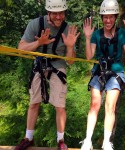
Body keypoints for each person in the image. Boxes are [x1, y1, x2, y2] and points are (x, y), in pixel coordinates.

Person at [15, 0, 80, 150]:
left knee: (60, 105)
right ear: (48, 13)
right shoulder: (35, 24)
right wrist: (38, 43)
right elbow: (21, 48)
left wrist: (70, 47)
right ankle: (28, 138)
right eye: (55, 13)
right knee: (34, 101)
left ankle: (61, 140)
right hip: (39, 63)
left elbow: (70, 61)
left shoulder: (67, 29)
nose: (58, 17)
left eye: (61, 13)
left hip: (58, 65)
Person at [80, 0, 125, 150]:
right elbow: (88, 56)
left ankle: (107, 141)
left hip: (116, 72)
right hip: (99, 70)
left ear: (115, 17)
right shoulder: (97, 35)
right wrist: (87, 37)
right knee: (94, 104)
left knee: (110, 106)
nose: (108, 20)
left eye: (111, 17)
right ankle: (88, 140)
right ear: (101, 17)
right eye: (105, 17)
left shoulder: (122, 34)